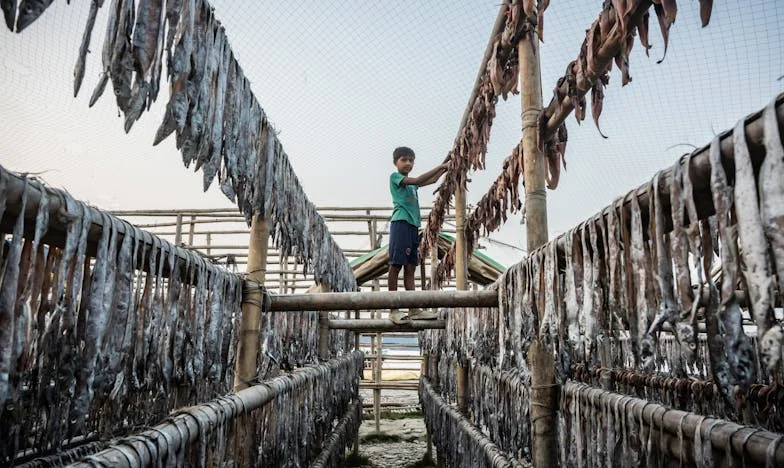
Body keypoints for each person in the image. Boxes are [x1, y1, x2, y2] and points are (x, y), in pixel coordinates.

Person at [388, 146, 447, 320]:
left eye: (411, 160)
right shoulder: (396, 178)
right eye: (404, 160)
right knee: (396, 264)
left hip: (413, 226)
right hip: (401, 223)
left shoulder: (412, 186)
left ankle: (413, 309)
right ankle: (393, 309)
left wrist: (446, 163)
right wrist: (441, 166)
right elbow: (420, 179)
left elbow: (433, 180)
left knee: (411, 266)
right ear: (395, 162)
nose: (408, 163)